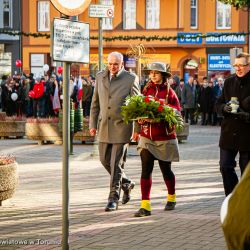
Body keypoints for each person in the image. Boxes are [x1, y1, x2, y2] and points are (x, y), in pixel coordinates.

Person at [89, 51, 141, 212]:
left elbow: (137, 105)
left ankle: (113, 199)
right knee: (104, 160)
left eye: (116, 64)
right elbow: (95, 103)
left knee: (116, 164)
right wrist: (93, 123)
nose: (112, 67)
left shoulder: (131, 79)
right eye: (110, 64)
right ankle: (126, 183)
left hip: (122, 127)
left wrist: (137, 129)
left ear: (122, 64)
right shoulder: (100, 76)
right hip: (104, 126)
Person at [132, 62, 181, 217]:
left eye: (156, 73)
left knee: (166, 170)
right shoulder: (145, 90)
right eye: (151, 73)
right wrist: (138, 125)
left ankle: (171, 197)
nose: (153, 75)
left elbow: (178, 115)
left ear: (163, 76)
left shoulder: (170, 93)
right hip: (147, 137)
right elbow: (137, 110)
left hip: (164, 138)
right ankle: (145, 206)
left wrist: (164, 113)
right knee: (146, 169)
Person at [216, 52, 250, 196]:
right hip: (228, 133)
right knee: (225, 166)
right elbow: (218, 103)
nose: (238, 68)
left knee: (246, 172)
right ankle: (232, 197)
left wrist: (247, 115)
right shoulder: (229, 81)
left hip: (247, 135)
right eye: (236, 65)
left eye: (241, 65)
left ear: (248, 65)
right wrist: (224, 108)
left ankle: (244, 203)